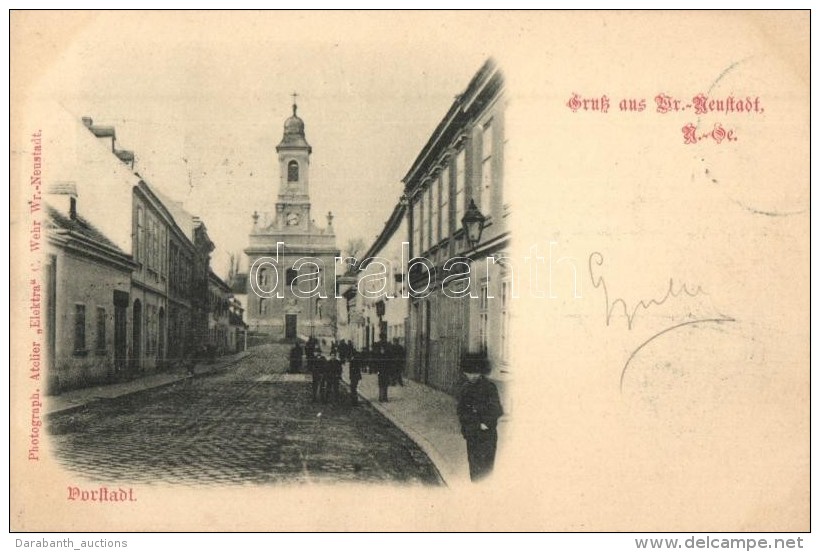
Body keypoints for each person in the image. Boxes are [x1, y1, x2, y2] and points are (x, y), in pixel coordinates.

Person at [457, 352, 503, 482]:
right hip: (472, 434)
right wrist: (466, 427)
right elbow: (461, 410)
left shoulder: (489, 388)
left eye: (474, 373)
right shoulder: (465, 389)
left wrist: (485, 423)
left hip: (486, 435)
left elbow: (496, 410)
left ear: (480, 372)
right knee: (474, 468)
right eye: (468, 373)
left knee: (486, 468)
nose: (471, 376)